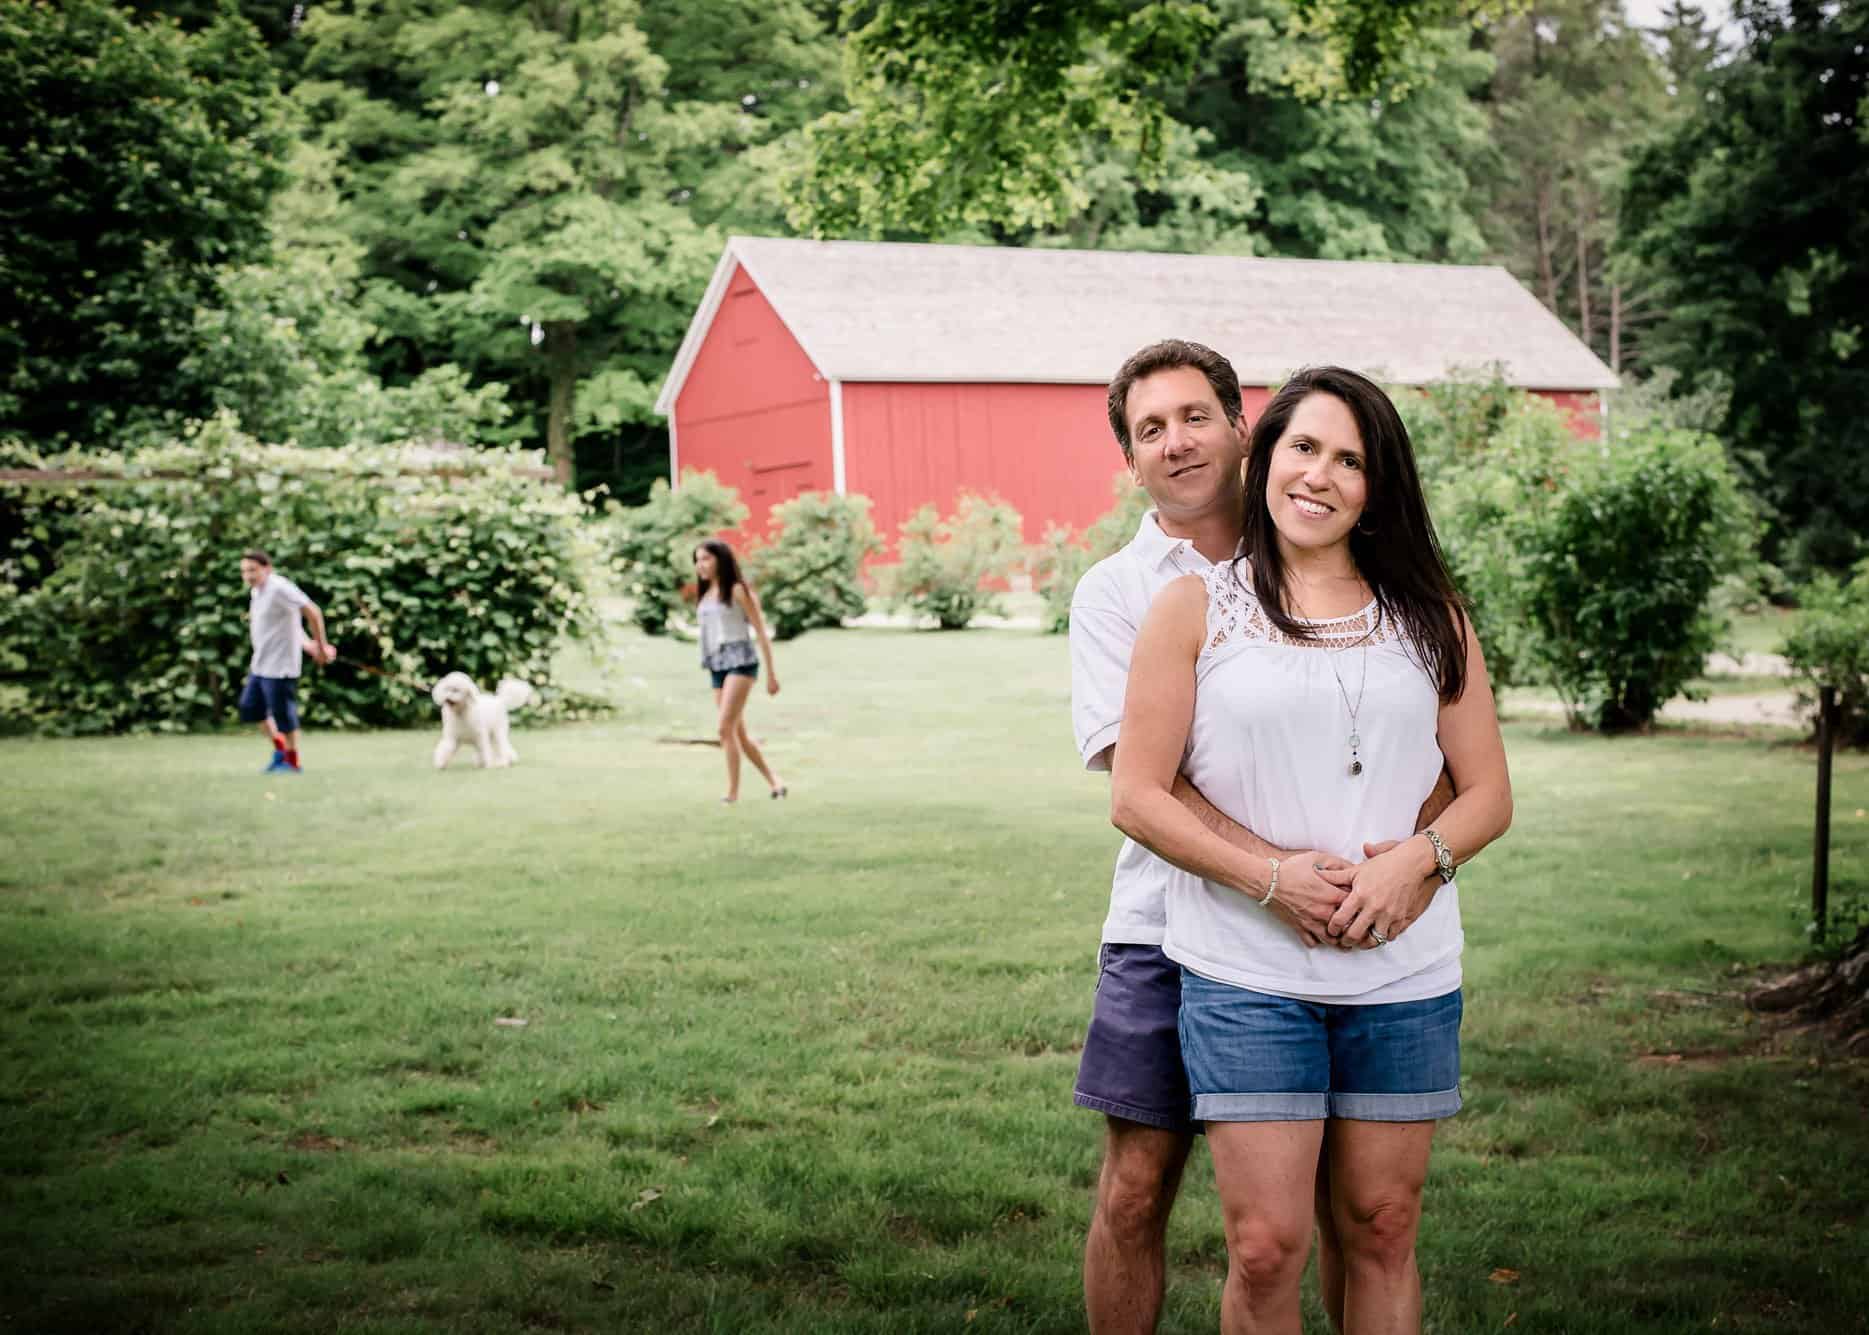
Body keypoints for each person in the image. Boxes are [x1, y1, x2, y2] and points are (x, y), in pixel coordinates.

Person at [1110, 365, 1513, 1335]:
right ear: (1267, 454)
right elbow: (1136, 795)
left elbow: (1490, 794)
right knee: (1265, 1247)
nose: (1320, 476)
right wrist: (1272, 879)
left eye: (1351, 460)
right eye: (1304, 448)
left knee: (1381, 1225)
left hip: (1402, 975)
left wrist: (1418, 860)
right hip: (1246, 972)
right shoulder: (1197, 610)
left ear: (1379, 486)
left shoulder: (1432, 617)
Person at [692, 539, 786, 804]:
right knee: (737, 733)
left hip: (740, 661)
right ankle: (775, 781)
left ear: (721, 560)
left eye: (706, 559)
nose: (701, 565)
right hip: (716, 664)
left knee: (724, 729)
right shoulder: (706, 594)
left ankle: (732, 794)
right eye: (698, 560)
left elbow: (760, 632)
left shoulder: (737, 591)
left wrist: (771, 674)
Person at [237, 550, 333, 774]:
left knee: (283, 717)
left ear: (267, 568)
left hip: (281, 667)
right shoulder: (256, 592)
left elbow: (312, 612)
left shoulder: (279, 587)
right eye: (244, 571)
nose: (248, 575)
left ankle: (292, 762)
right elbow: (291, 622)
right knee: (251, 708)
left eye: (253, 570)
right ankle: (281, 752)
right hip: (260, 665)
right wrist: (308, 644)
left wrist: (320, 646)